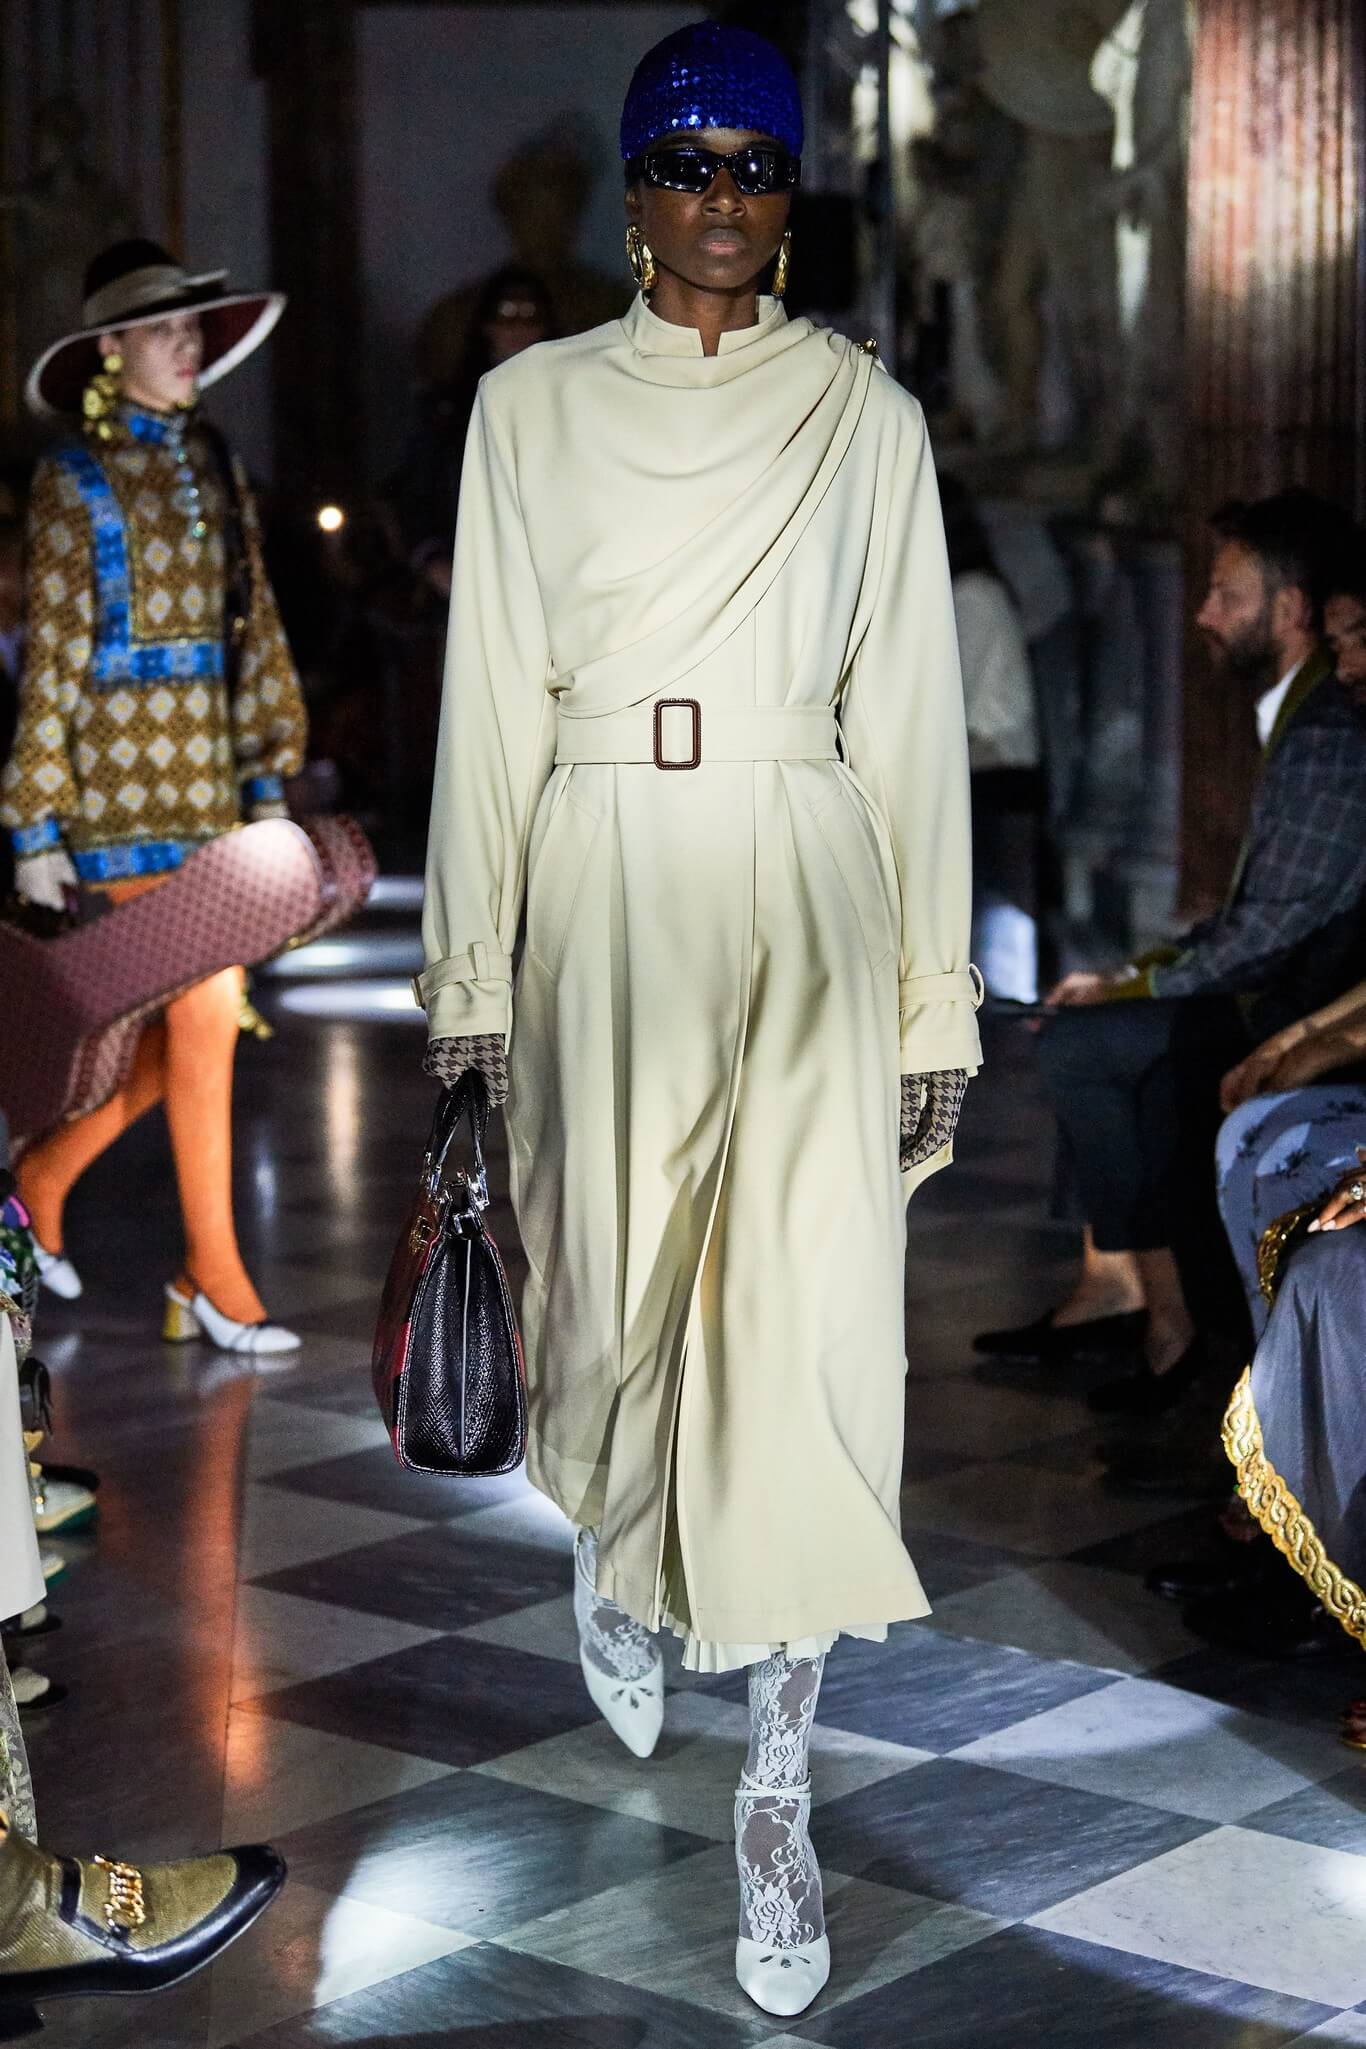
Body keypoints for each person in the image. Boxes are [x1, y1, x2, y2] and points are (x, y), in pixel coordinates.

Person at [416, 21, 981, 2019]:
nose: (724, 197)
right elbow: (489, 697)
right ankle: (611, 1537)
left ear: (787, 197)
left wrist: (931, 996)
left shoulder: (863, 419)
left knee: (806, 1331)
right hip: (598, 875)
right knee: (607, 1298)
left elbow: (909, 713)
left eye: (756, 164)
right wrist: (468, 978)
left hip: (808, 870)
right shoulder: (530, 411)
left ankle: (776, 1789)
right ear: (638, 193)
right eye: (688, 162)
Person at [978, 493, 1366, 1410]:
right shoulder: (1303, 716)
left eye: (1226, 594)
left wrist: (1133, 984)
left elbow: (1270, 932)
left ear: (1289, 609)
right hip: (1286, 991)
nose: (1201, 613)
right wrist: (1129, 978)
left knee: (1090, 1042)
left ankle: (1167, 1319)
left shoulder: (1326, 734)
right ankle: (1118, 1286)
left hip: (1286, 996)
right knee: (1088, 1031)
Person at [0, 240, 308, 1353]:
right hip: (113, 804)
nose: (188, 346)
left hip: (210, 799)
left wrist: (267, 780)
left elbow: (253, 630)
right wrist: (35, 823)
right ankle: (212, 1278)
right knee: (205, 1020)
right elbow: (53, 659)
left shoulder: (219, 466)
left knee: (184, 1035)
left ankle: (42, 1182)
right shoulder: (70, 479)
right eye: (165, 330)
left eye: (192, 328)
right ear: (110, 349)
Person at [389, 265, 555, 601]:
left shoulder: (573, 405)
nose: (518, 328)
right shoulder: (447, 412)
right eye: (506, 314)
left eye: (529, 316)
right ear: (487, 325)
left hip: (552, 576)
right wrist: (435, 563)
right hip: (471, 575)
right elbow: (414, 494)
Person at [940, 473, 1042, 1001]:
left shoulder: (972, 596)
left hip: (996, 773)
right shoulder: (972, 592)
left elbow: (955, 700)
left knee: (998, 930)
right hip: (992, 771)